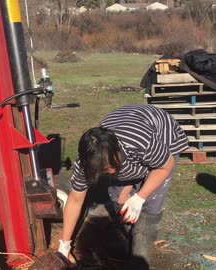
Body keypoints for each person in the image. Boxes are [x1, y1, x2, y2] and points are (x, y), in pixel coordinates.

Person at [57, 104, 188, 267]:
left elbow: (165, 166)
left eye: (113, 165)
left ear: (118, 149)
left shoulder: (140, 142)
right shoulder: (85, 163)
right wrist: (64, 245)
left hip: (162, 133)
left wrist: (140, 197)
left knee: (150, 205)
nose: (112, 171)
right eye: (105, 169)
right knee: (118, 197)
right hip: (128, 135)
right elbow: (75, 200)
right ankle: (131, 236)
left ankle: (139, 260)